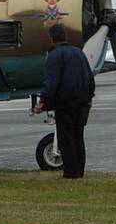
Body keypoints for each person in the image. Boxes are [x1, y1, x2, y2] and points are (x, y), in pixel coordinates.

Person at [32, 24, 95, 179]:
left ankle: (71, 172)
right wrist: (90, 96)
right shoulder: (78, 53)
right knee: (78, 137)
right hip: (82, 101)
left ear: (51, 38)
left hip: (65, 103)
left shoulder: (54, 55)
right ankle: (79, 170)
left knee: (66, 138)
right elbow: (89, 76)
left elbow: (52, 82)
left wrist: (42, 101)